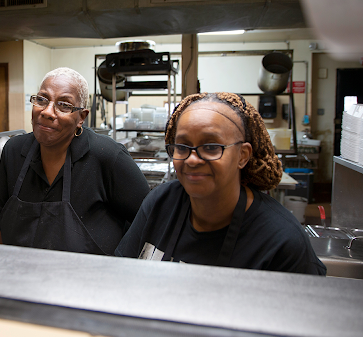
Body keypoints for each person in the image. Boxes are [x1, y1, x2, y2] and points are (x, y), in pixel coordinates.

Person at [116, 93, 326, 275]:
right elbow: (120, 275)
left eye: (211, 146)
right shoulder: (160, 203)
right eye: (182, 146)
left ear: (242, 156)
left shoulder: (282, 242)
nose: (192, 159)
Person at [0, 67, 150, 255]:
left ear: (81, 117)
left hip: (89, 280)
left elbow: (149, 221)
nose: (47, 112)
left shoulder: (107, 156)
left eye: (64, 105)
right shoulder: (13, 151)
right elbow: (1, 220)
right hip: (21, 276)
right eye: (42, 100)